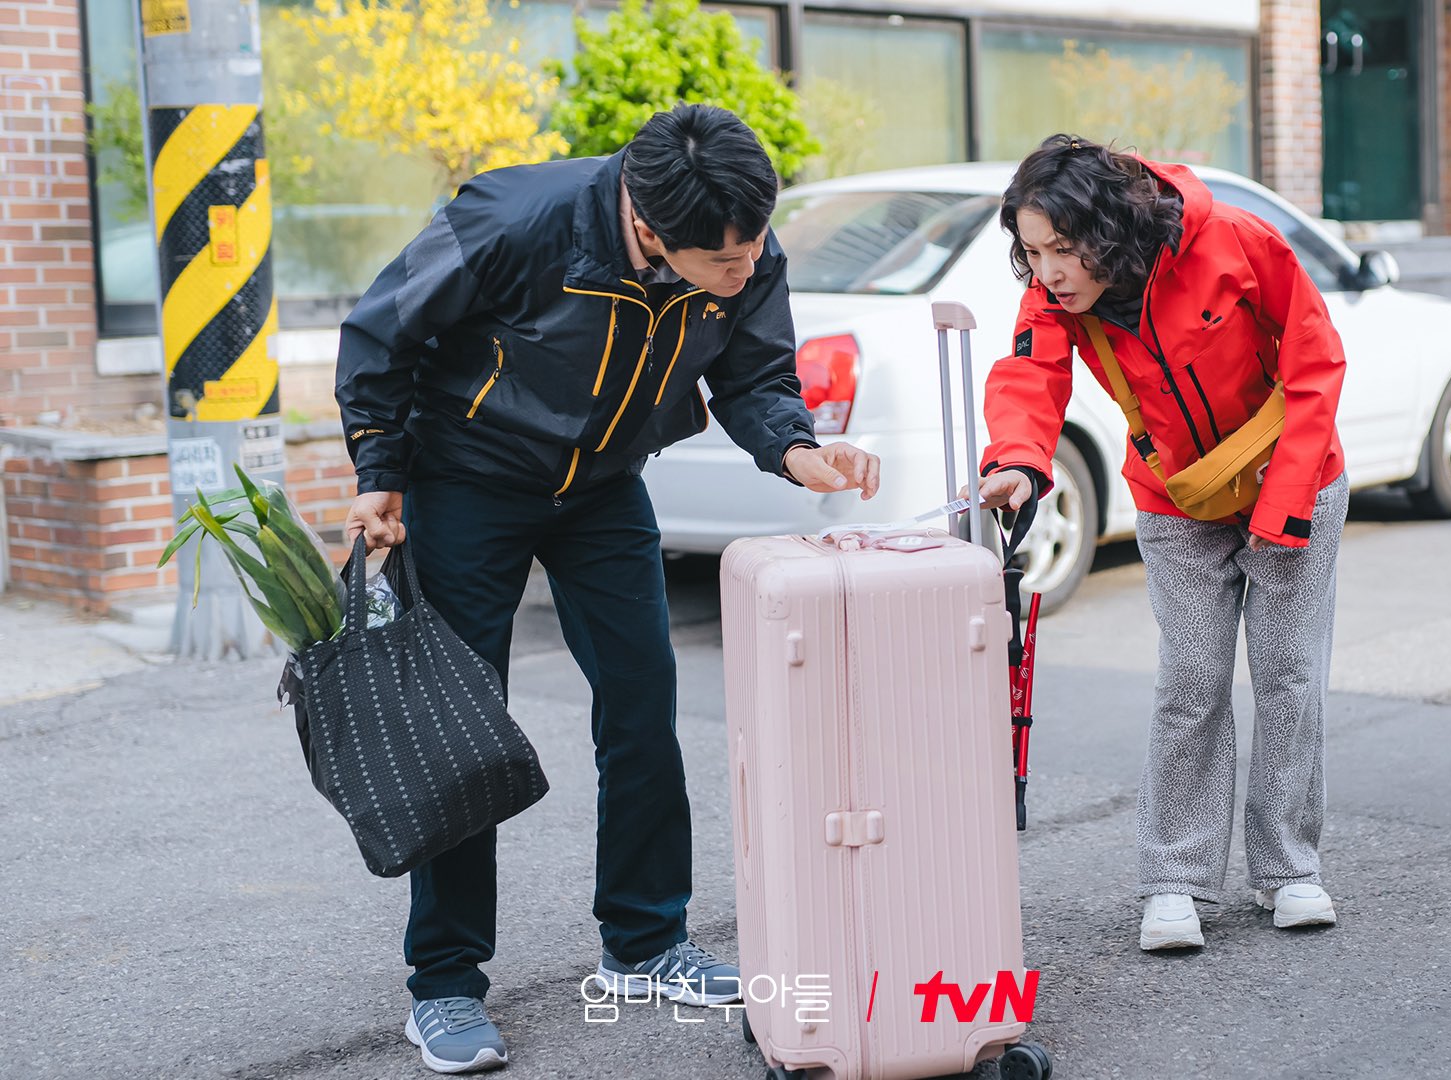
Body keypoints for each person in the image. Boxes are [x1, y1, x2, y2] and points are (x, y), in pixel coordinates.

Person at [335, 104, 880, 1073]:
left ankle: (643, 942)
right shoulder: (512, 222)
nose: (744, 272)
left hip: (603, 488)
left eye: (753, 251)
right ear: (649, 229)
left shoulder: (738, 240)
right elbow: (382, 336)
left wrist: (801, 451)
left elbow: (754, 374)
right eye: (723, 263)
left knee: (642, 709)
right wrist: (380, 470)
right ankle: (447, 983)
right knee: (464, 734)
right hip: (469, 481)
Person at [977, 136, 1349, 952]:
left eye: (1065, 250)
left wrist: (1284, 503)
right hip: (1177, 499)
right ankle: (1175, 881)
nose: (1049, 273)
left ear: (1111, 229)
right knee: (1191, 680)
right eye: (1033, 252)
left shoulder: (1239, 242)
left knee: (1288, 678)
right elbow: (1030, 379)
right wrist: (1016, 463)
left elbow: (1315, 359)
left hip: (1295, 482)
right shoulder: (1054, 299)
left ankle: (1289, 869)